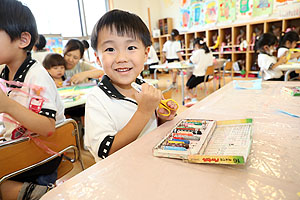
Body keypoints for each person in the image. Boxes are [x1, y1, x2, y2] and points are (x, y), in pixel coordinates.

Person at [85, 9, 178, 162]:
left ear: (146, 53)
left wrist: (162, 118)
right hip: (119, 177)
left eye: (131, 48)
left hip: (150, 165)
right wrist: (144, 111)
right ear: (97, 58)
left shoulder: (143, 86)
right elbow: (105, 151)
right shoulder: (97, 99)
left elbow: (151, 129)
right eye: (110, 49)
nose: (121, 58)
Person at [0, 0, 65, 199]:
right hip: (20, 146)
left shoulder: (37, 75)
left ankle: (44, 194)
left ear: (22, 40)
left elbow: (47, 127)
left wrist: (7, 105)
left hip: (43, 155)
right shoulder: (5, 73)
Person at [185, 38, 214, 106]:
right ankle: (190, 95)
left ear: (197, 45)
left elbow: (191, 61)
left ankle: (194, 100)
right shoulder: (209, 51)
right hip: (206, 76)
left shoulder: (198, 52)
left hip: (198, 76)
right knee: (190, 79)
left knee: (186, 88)